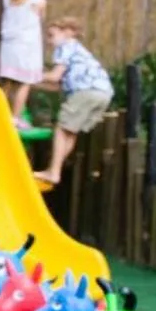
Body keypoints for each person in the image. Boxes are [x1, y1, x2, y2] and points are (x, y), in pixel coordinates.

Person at [33, 15, 114, 185]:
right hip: (103, 94)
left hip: (86, 91)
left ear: (68, 32)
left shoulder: (65, 47)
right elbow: (58, 86)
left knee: (61, 129)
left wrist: (30, 75)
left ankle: (53, 172)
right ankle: (55, 169)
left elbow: (54, 77)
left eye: (51, 35)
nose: (49, 41)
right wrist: (33, 84)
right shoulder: (78, 51)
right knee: (70, 131)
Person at [0, 0, 47, 128]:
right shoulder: (38, 1)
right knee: (24, 83)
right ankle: (15, 117)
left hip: (8, 44)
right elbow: (40, 18)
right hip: (26, 47)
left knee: (6, 82)